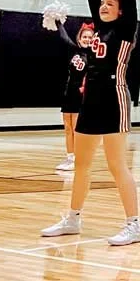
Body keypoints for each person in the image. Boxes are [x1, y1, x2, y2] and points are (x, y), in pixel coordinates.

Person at [41, 0, 140, 246]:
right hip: (91, 100)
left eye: (110, 3)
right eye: (103, 3)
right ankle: (73, 218)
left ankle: (134, 225)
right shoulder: (98, 27)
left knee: (116, 165)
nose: (104, 6)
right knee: (82, 166)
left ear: (122, 11)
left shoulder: (125, 28)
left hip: (114, 98)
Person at [52, 21, 95, 172]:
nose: (87, 39)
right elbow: (64, 38)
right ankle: (70, 157)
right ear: (79, 37)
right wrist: (58, 22)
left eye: (90, 37)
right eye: (85, 37)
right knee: (67, 128)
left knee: (77, 128)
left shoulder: (93, 56)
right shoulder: (74, 50)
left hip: (81, 94)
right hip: (69, 92)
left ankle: (79, 157)